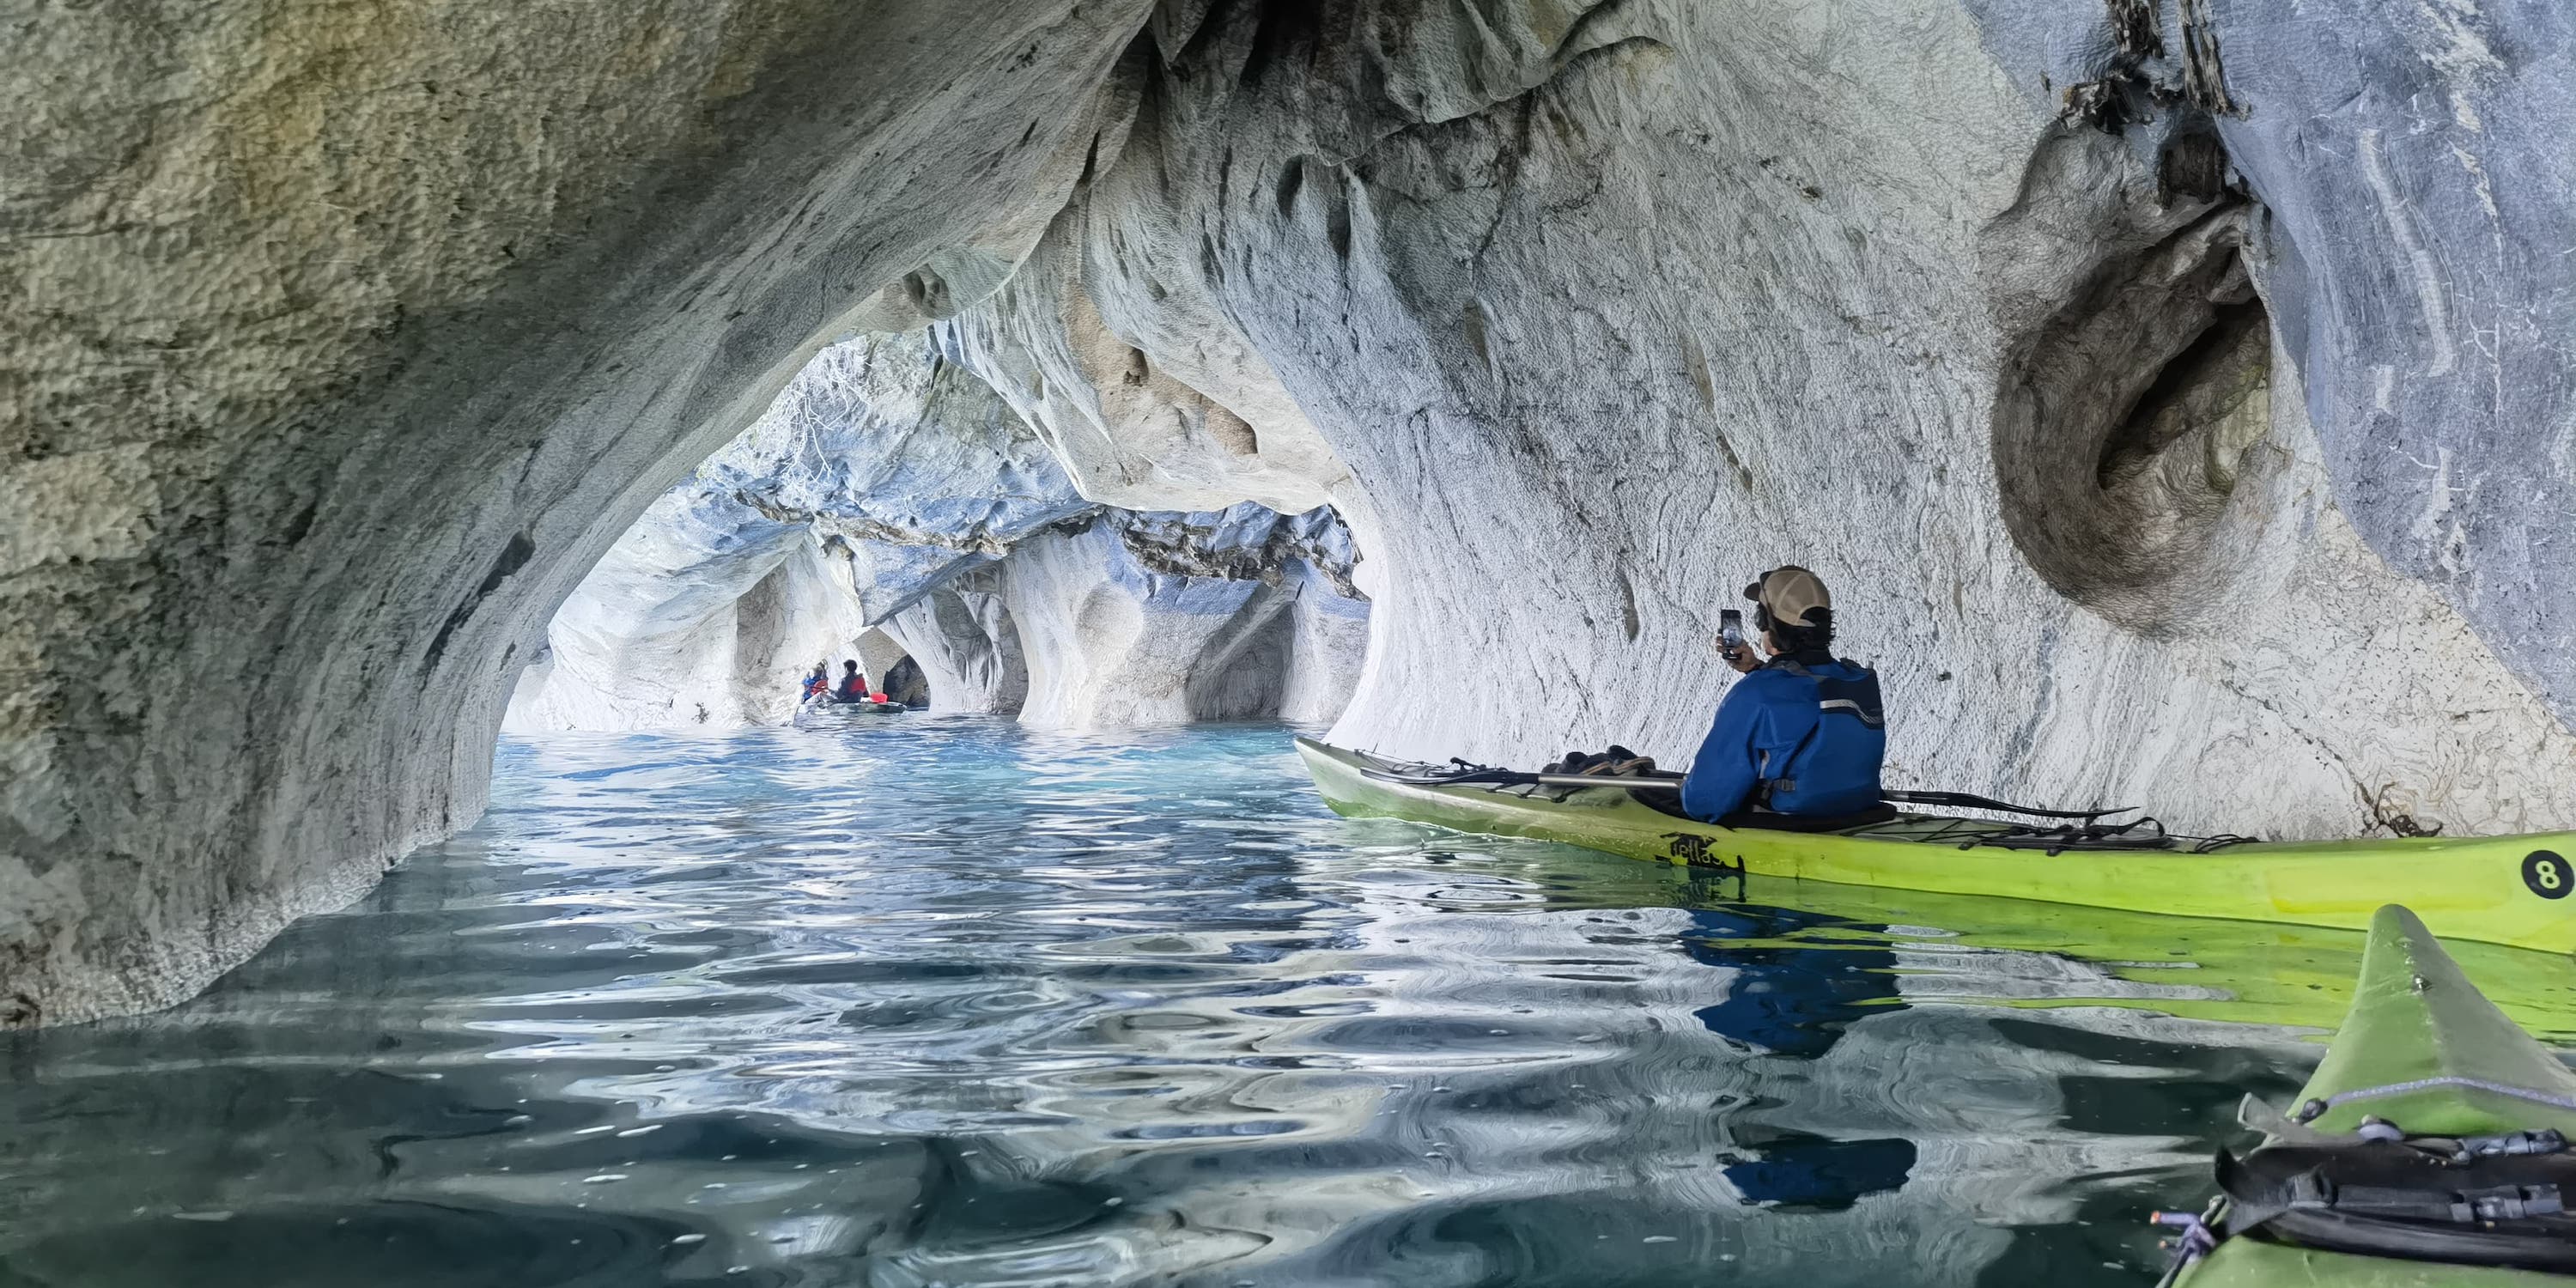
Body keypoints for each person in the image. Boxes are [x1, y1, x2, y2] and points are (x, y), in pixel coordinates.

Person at [1680, 566, 1887, 825]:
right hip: (1859, 813)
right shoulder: (1856, 679)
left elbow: (1706, 801)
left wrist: (1760, 679)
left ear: (1767, 623)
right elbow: (1804, 703)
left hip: (1787, 821)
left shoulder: (1756, 694)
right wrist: (1757, 669)